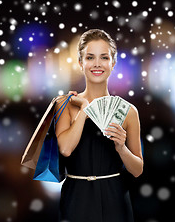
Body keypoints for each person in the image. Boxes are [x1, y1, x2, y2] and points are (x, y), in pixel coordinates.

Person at [55, 29, 143, 222]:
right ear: (80, 63)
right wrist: (85, 110)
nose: (97, 64)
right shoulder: (65, 104)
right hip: (76, 197)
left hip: (116, 198)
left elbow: (137, 169)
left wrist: (121, 148)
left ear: (113, 63)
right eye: (90, 57)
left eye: (104, 57)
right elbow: (66, 149)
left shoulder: (128, 111)